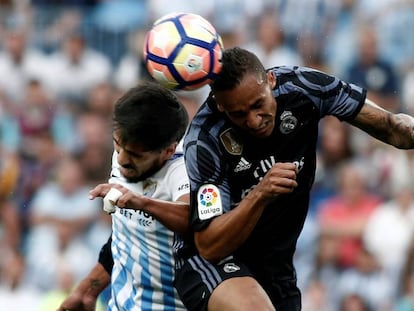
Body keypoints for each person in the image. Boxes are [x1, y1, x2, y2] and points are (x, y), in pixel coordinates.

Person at [173, 46, 414, 311]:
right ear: (221, 106)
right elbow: (209, 245)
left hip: (275, 264)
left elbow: (393, 128)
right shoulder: (205, 138)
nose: (253, 121)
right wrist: (260, 194)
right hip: (213, 265)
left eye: (258, 105)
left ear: (271, 81)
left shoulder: (305, 87)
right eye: (238, 114)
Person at [57, 80, 190, 311]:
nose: (122, 160)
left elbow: (194, 219)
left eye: (135, 154)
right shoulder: (125, 154)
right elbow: (123, 239)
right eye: (118, 145)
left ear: (168, 151)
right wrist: (87, 289)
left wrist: (142, 203)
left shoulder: (182, 169)